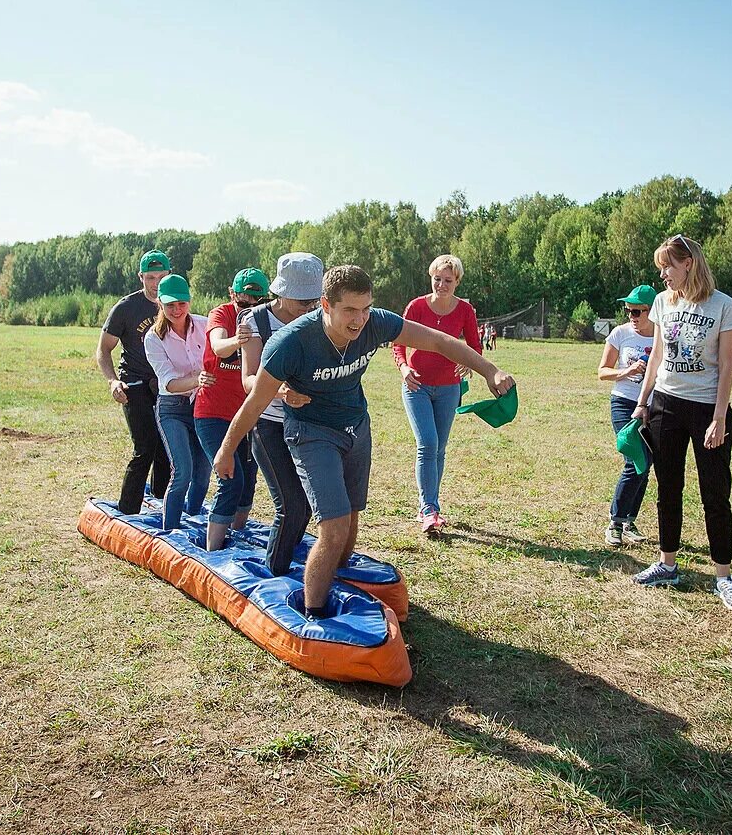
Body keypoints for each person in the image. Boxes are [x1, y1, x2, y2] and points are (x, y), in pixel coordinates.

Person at [214, 265, 515, 620]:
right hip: (311, 432)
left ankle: (338, 579)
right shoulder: (290, 343)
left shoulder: (376, 323)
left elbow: (439, 341)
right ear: (325, 305)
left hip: (356, 425)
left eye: (365, 308)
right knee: (335, 524)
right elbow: (255, 401)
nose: (359, 320)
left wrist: (489, 370)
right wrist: (226, 449)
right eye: (350, 311)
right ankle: (315, 616)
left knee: (353, 516)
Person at [630, 235, 732, 612]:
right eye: (661, 267)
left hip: (706, 410)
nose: (663, 274)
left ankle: (724, 577)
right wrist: (643, 401)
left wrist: (718, 418)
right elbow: (658, 356)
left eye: (668, 266)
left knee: (715, 493)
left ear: (689, 264)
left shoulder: (724, 306)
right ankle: (667, 565)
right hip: (666, 404)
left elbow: (728, 366)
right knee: (668, 488)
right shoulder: (663, 303)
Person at [237, 252, 323, 575]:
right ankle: (274, 574)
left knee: (305, 506)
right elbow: (248, 380)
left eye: (313, 299)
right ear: (281, 291)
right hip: (268, 422)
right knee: (290, 504)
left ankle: (285, 561)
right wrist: (282, 390)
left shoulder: (317, 320)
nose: (308, 306)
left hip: (305, 424)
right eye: (301, 300)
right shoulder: (255, 321)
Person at [393, 254, 483, 535]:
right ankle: (428, 509)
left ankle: (432, 505)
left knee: (439, 448)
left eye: (447, 280)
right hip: (416, 384)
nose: (441, 285)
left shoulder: (465, 310)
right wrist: (404, 367)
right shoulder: (417, 307)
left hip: (449, 387)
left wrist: (468, 362)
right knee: (427, 443)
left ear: (457, 282)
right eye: (437, 279)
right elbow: (398, 342)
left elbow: (475, 346)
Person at [194, 268, 270, 551]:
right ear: (232, 295)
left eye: (256, 303)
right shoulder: (221, 314)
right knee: (230, 478)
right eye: (243, 303)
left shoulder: (266, 320)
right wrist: (239, 339)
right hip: (212, 413)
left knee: (248, 479)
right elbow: (219, 347)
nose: (249, 309)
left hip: (247, 414)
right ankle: (212, 549)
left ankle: (238, 536)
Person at [95, 249, 172, 515]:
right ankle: (127, 512)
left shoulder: (175, 304)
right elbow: (103, 350)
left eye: (162, 277)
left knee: (167, 447)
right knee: (145, 447)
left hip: (166, 384)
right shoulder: (126, 308)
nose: (156, 283)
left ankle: (162, 505)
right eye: (150, 277)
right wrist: (112, 382)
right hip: (134, 385)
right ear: (141, 277)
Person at [144, 274, 212, 532]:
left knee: (204, 473)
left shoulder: (205, 326)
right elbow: (169, 383)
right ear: (160, 303)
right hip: (172, 408)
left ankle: (193, 520)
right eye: (170, 304)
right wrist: (199, 379)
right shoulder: (153, 338)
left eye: (181, 303)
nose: (176, 310)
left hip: (202, 406)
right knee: (182, 470)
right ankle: (169, 531)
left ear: (189, 302)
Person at [598, 284, 657, 547]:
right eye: (628, 310)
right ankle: (615, 521)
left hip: (654, 406)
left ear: (651, 311)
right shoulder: (620, 334)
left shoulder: (662, 337)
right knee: (635, 459)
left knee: (647, 464)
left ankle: (629, 520)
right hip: (623, 403)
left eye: (637, 311)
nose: (631, 316)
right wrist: (627, 371)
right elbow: (602, 371)